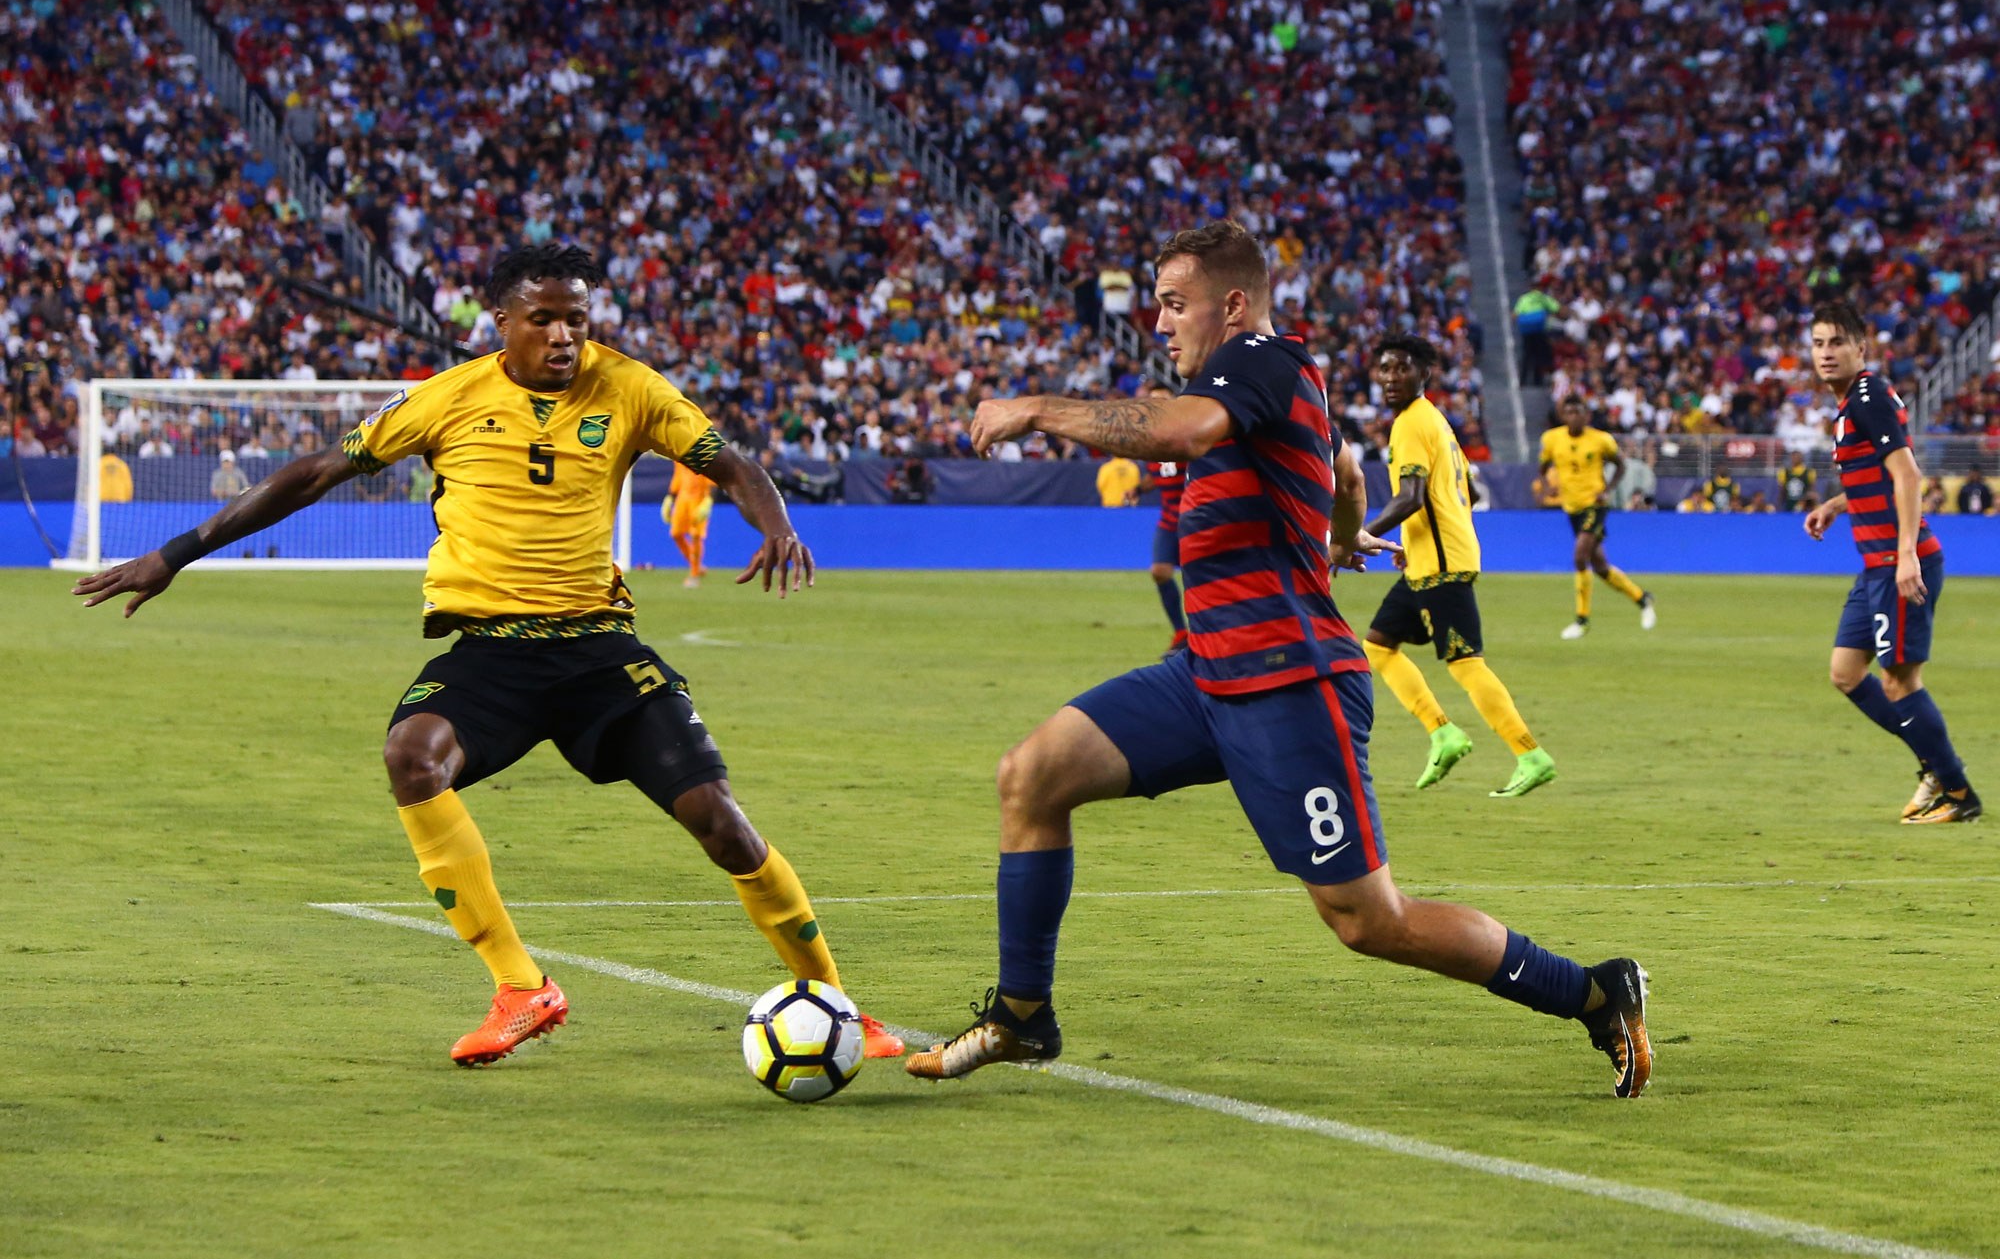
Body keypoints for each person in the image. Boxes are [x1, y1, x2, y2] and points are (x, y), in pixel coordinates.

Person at [75, 243, 906, 1064]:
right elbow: (315, 472)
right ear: (502, 321)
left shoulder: (631, 388)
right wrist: (176, 552)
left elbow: (733, 463)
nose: (562, 335)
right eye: (542, 319)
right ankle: (521, 985)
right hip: (491, 652)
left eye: (575, 318)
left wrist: (777, 523)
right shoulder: (447, 398)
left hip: (598, 650)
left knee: (721, 826)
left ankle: (841, 1004)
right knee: (413, 754)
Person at [904, 222, 1651, 1097]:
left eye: (1174, 304)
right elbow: (1343, 467)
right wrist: (1335, 535)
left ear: (1232, 304)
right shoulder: (1269, 380)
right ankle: (1024, 1015)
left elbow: (1184, 432)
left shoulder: (1262, 359)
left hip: (1291, 683)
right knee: (1030, 776)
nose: (1158, 322)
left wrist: (1036, 409)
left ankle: (1595, 991)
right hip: (1206, 671)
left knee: (1369, 921)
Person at [1803, 301, 1979, 824]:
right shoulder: (1849, 404)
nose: (1827, 353)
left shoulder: (1868, 396)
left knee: (1901, 682)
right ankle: (1935, 766)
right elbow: (1875, 476)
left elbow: (1907, 475)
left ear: (1862, 348)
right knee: (1846, 672)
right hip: (1876, 565)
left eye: (1837, 342)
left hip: (1898, 563)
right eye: (1818, 343)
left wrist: (1905, 557)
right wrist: (1836, 505)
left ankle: (1956, 789)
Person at [1364, 335, 1559, 799]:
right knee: (1378, 646)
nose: (1392, 377)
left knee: (1465, 662)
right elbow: (1463, 490)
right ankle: (1443, 734)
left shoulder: (1412, 422)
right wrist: (1416, 541)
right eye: (1385, 368)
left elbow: (1411, 496)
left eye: (1402, 368)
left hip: (1443, 564)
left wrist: (1360, 535)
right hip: (1432, 558)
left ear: (1424, 373)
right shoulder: (1436, 421)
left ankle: (1530, 754)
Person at [1539, 396, 1656, 640]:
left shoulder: (1601, 440)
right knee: (1601, 567)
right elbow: (1543, 466)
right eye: (1569, 412)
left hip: (1595, 505)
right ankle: (1642, 599)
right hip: (1571, 507)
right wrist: (1546, 485)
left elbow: (1620, 465)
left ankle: (1582, 620)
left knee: (1580, 557)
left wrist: (1608, 489)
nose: (1574, 416)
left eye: (1578, 412)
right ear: (1563, 416)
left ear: (1586, 415)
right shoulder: (1551, 439)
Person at [1141, 380, 1188, 654]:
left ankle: (1208, 637)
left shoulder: (1187, 436)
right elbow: (1158, 474)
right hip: (1169, 520)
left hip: (1196, 520)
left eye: (1164, 400)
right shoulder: (1150, 442)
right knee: (1159, 571)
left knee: (1201, 579)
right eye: (1154, 401)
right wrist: (1138, 488)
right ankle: (1181, 634)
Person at [663, 458, 716, 588]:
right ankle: (697, 566)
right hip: (683, 498)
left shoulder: (703, 453)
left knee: (696, 535)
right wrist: (670, 496)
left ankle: (694, 574)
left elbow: (712, 479)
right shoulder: (679, 455)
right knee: (676, 533)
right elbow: (678, 476)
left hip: (699, 498)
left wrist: (709, 500)